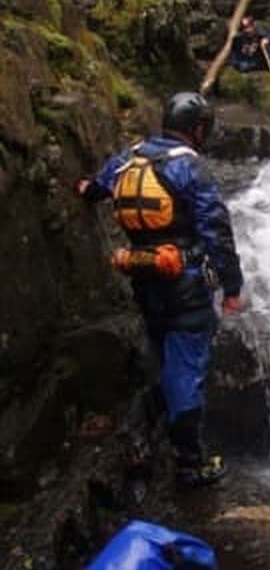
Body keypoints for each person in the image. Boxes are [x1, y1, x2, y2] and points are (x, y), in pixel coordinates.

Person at [75, 91, 245, 490]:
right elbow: (216, 231)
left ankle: (142, 443)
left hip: (143, 274)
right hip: (184, 279)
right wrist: (232, 286)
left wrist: (84, 189)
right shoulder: (189, 168)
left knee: (161, 352)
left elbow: (97, 186)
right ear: (198, 129)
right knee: (186, 363)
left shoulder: (130, 157)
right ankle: (190, 462)